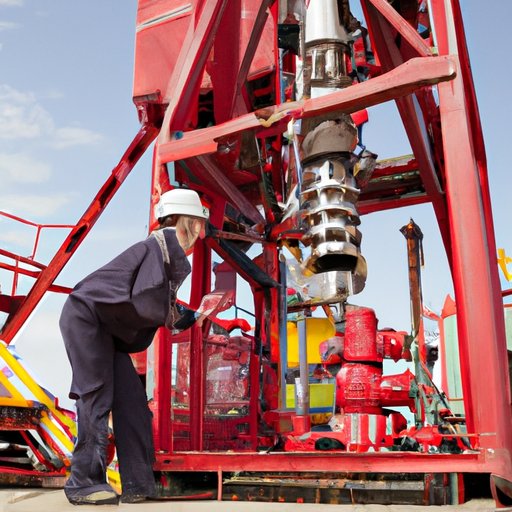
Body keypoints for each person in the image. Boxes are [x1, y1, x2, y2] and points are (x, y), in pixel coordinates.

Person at [59, 188, 208, 505]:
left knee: (132, 402)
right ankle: (83, 484)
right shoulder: (159, 248)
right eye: (198, 223)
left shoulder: (162, 254)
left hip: (107, 331)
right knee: (96, 394)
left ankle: (138, 484)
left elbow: (152, 304)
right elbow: (146, 301)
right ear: (185, 222)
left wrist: (194, 315)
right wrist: (175, 315)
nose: (201, 233)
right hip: (86, 320)